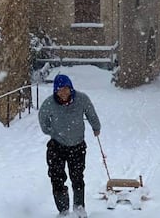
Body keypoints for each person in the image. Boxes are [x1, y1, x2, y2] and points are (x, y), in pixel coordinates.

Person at [38, 74, 101, 218]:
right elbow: (42, 119)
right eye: (60, 90)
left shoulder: (82, 99)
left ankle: (79, 208)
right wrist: (51, 131)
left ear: (70, 88)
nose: (63, 92)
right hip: (57, 146)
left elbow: (91, 113)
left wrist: (96, 127)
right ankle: (64, 211)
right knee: (57, 177)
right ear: (55, 91)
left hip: (77, 145)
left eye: (66, 88)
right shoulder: (49, 103)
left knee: (77, 177)